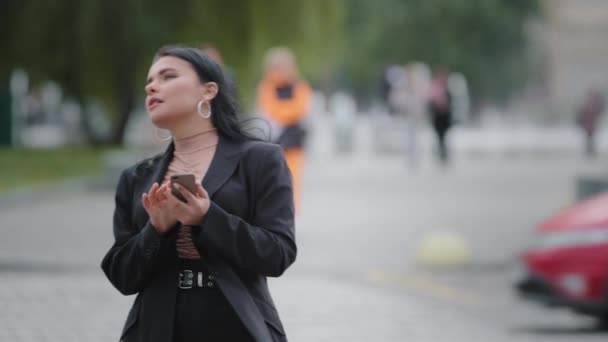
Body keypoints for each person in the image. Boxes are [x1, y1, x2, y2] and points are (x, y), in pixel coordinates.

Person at [101, 46, 296, 342]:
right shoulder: (136, 178)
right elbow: (123, 276)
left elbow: (278, 254)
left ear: (208, 91)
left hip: (237, 325)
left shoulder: (259, 160)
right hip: (156, 330)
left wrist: (208, 218)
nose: (152, 86)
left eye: (168, 76)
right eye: (149, 81)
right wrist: (156, 230)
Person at [257, 47, 311, 213]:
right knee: (274, 179)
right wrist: (289, 112)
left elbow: (301, 108)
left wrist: (282, 112)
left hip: (294, 140)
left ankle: (290, 212)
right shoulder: (266, 86)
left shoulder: (300, 85)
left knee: (293, 179)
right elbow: (271, 109)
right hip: (273, 141)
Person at [427, 68, 453, 165]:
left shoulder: (447, 87)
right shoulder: (435, 87)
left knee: (443, 136)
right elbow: (430, 103)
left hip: (444, 116)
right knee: (440, 136)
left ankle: (443, 153)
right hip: (438, 116)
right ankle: (441, 153)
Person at [577, 88, 605, 158]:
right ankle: (590, 150)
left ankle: (590, 150)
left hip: (590, 125)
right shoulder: (590, 104)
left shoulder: (591, 104)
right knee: (589, 138)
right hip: (589, 125)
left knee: (590, 138)